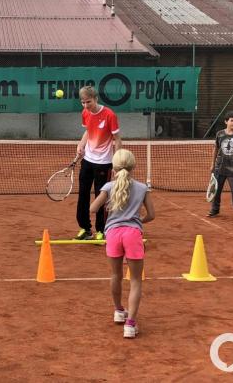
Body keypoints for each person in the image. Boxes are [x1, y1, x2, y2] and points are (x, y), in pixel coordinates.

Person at [90, 149, 155, 338]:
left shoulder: (109, 186)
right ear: (133, 166)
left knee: (115, 275)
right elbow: (151, 215)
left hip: (112, 234)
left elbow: (93, 208)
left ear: (114, 167)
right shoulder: (142, 188)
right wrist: (136, 221)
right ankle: (130, 324)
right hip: (133, 234)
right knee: (135, 281)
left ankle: (118, 311)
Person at [74, 86, 122, 240]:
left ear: (96, 99)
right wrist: (81, 145)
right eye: (83, 102)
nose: (86, 105)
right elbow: (88, 131)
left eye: (88, 102)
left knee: (101, 196)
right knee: (83, 195)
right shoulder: (85, 113)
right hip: (87, 160)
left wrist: (117, 162)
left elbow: (117, 139)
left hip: (104, 162)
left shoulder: (109, 115)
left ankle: (101, 230)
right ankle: (85, 229)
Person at [208, 111, 233, 221]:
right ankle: (214, 210)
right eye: (231, 120)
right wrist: (212, 163)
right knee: (216, 190)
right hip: (219, 167)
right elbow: (215, 149)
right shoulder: (220, 134)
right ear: (226, 122)